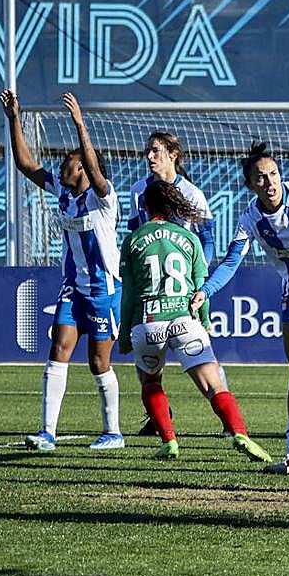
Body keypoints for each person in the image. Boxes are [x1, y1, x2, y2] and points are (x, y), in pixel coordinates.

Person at [190, 142, 289, 475]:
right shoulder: (250, 217)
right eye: (261, 178)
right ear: (251, 184)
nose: (270, 182)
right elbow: (231, 261)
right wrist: (206, 291)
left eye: (273, 174)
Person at [1, 90, 124, 453]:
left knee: (99, 362)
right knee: (58, 349)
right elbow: (26, 164)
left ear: (84, 167)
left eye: (70, 161)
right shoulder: (63, 194)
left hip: (104, 291)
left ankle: (113, 432)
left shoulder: (104, 198)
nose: (62, 166)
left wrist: (80, 125)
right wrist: (13, 119)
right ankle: (47, 433)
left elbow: (96, 171)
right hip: (74, 289)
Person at [117, 179, 271, 463]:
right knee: (214, 385)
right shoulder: (188, 239)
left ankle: (169, 441)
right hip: (185, 320)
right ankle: (239, 433)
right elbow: (200, 287)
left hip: (148, 322)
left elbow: (128, 294)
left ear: (146, 206)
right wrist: (204, 318)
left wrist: (124, 334)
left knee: (151, 382)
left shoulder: (133, 240)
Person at [127, 130, 216, 437]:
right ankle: (158, 416)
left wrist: (199, 283)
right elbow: (134, 234)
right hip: (151, 287)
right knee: (149, 359)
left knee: (202, 354)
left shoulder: (192, 194)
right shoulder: (138, 190)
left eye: (155, 151)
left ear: (173, 154)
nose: (149, 157)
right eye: (147, 151)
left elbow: (208, 240)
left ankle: (227, 420)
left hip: (184, 288)